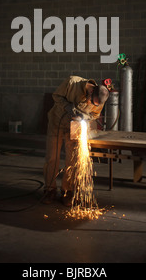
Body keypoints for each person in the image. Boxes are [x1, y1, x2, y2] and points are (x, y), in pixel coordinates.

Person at [43, 75, 109, 206]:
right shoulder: (72, 83)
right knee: (52, 157)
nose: (91, 104)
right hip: (57, 123)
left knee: (73, 160)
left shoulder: (100, 98)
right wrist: (67, 106)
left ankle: (68, 192)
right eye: (91, 101)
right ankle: (49, 190)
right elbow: (56, 96)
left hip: (75, 127)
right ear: (91, 91)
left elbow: (95, 115)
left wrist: (84, 116)